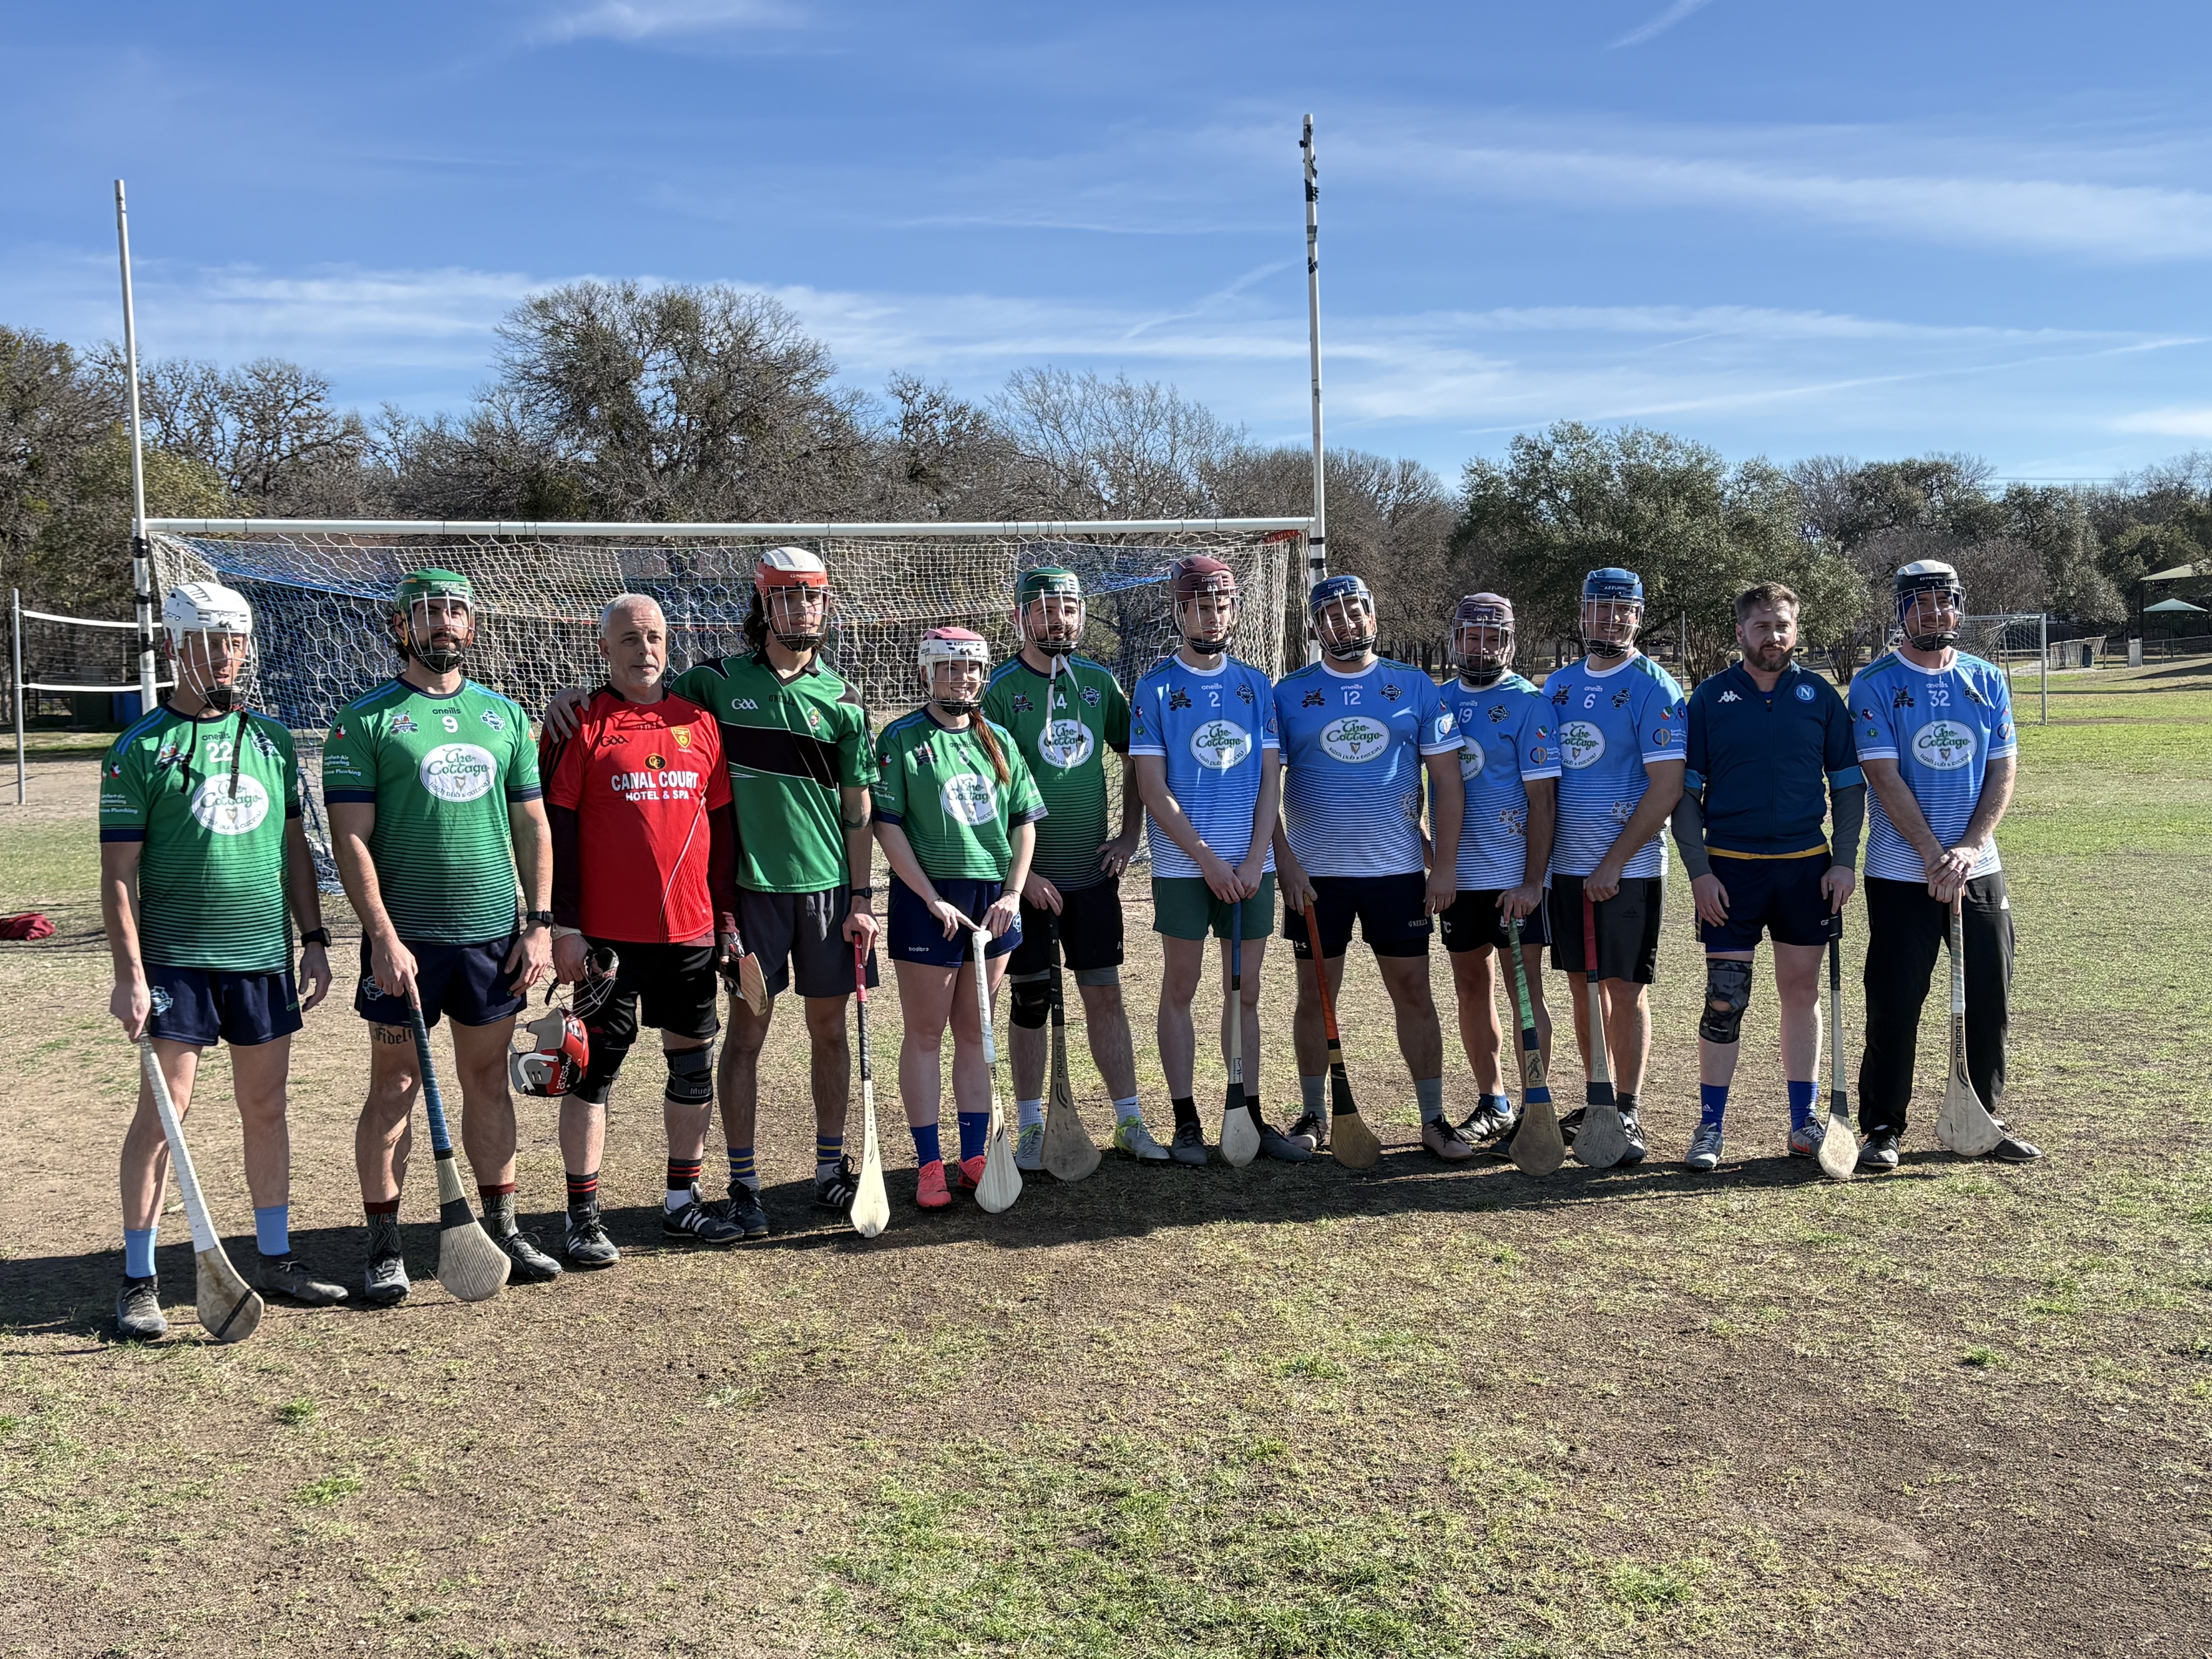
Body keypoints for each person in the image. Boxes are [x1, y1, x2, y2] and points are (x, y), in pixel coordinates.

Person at [542, 548, 880, 1238]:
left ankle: (813, 1173)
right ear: (764, 605)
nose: (802, 610)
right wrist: (569, 697)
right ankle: (731, 1185)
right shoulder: (712, 686)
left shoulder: (834, 700)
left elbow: (853, 809)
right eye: (787, 597)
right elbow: (627, 707)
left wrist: (862, 895)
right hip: (727, 904)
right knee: (707, 1045)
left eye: (813, 597)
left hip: (789, 903)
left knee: (818, 1034)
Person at [101, 582, 342, 1339]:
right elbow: (118, 875)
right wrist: (130, 975)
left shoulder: (271, 740)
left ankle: (275, 1258)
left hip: (263, 958)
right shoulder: (140, 748)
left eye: (235, 642)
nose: (225, 657)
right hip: (176, 964)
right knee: (164, 1117)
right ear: (176, 647)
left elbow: (295, 849)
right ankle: (139, 1280)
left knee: (266, 1107)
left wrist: (313, 939)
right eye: (209, 642)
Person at [325, 568, 559, 1304]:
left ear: (472, 625)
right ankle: (384, 1246)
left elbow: (532, 825)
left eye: (457, 611)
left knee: (488, 1082)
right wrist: (383, 938)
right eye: (430, 613)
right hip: (407, 944)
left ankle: (503, 1227)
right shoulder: (364, 721)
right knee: (395, 1087)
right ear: (402, 627)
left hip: (491, 938)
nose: (445, 624)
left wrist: (539, 924)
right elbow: (350, 840)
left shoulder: (504, 716)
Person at [539, 594, 749, 1263]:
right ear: (605, 648)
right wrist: (565, 927)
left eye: (654, 637)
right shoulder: (579, 724)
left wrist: (725, 921)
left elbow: (723, 834)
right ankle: (582, 1217)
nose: (644, 650)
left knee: (692, 1065)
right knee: (590, 1072)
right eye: (629, 639)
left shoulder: (700, 723)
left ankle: (682, 1203)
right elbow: (557, 833)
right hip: (606, 940)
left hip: (691, 934)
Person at [1846, 561, 2040, 1169]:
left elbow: (2002, 770)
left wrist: (1969, 849)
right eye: (1921, 604)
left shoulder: (1987, 678)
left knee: (1989, 995)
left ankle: (1983, 1117)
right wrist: (1934, 854)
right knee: (1895, 1000)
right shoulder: (1874, 683)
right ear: (1902, 612)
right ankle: (1882, 1127)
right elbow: (1883, 776)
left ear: (1959, 606)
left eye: (1945, 602)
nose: (1935, 614)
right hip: (1902, 871)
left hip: (1977, 867)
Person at [1271, 573, 1470, 1162]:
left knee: (1414, 993)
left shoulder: (1415, 686)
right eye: (1331, 615)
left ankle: (1433, 1119)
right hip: (1316, 877)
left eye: (1355, 611)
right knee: (1316, 996)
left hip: (1397, 873)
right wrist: (1285, 862)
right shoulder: (1289, 693)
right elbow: (1264, 787)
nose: (1346, 623)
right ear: (1316, 627)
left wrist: (1444, 865)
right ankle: (1315, 1114)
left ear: (1373, 617)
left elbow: (1448, 782)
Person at [1671, 583, 1864, 1172]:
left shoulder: (1820, 697)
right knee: (1725, 999)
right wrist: (1700, 872)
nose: (1773, 637)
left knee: (1801, 993)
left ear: (1795, 629)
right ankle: (1710, 1126)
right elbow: (1684, 796)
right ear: (1741, 633)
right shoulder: (1709, 699)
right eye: (1762, 627)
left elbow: (1848, 786)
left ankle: (1804, 1121)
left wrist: (1844, 860)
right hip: (1730, 872)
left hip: (1806, 870)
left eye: (1783, 625)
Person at [981, 567, 1163, 1165]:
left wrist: (1130, 835)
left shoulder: (1098, 682)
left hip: (1091, 877)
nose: (1058, 620)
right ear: (1021, 618)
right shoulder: (1000, 690)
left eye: (1067, 608)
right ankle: (1033, 1127)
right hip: (1028, 882)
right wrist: (1022, 875)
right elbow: (988, 796)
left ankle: (1129, 1120)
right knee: (1030, 1002)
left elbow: (1136, 758)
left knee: (1105, 995)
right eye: (1044, 609)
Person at [872, 628, 1044, 1208]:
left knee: (976, 1033)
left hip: (992, 901)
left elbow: (1024, 822)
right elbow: (888, 827)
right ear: (927, 673)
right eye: (948, 667)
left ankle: (973, 1157)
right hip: (931, 902)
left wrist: (1013, 894)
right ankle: (928, 1164)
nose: (962, 678)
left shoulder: (999, 739)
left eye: (971, 668)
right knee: (926, 1035)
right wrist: (930, 898)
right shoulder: (901, 737)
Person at [1128, 555, 1292, 1166]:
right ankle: (1186, 1119)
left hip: (1250, 868)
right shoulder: (1155, 688)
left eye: (1221, 605)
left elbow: (1270, 780)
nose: (1212, 617)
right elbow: (1151, 788)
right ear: (1178, 612)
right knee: (1182, 986)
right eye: (1199, 606)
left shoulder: (1256, 685)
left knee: (1245, 992)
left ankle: (1246, 1110)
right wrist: (1205, 860)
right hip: (1183, 868)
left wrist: (1253, 859)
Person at [1542, 567, 1686, 1164]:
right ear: (1583, 614)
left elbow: (1667, 788)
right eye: (1600, 608)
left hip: (1630, 871)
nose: (1612, 618)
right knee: (1583, 989)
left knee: (1625, 992)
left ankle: (1627, 1108)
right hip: (1565, 869)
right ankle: (1597, 1096)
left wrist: (1614, 862)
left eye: (1623, 609)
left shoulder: (1656, 687)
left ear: (1637, 616)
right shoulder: (1558, 686)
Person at [1434, 593, 1559, 1153]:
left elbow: (1544, 803)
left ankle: (1536, 1107)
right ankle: (1494, 1102)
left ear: (1509, 643)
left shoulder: (1530, 703)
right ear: (1456, 639)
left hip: (1513, 880)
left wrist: (1532, 882)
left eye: (1493, 638)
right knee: (1470, 989)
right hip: (1458, 879)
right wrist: (1432, 856)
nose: (1481, 648)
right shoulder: (1438, 700)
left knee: (1525, 994)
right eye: (1472, 637)